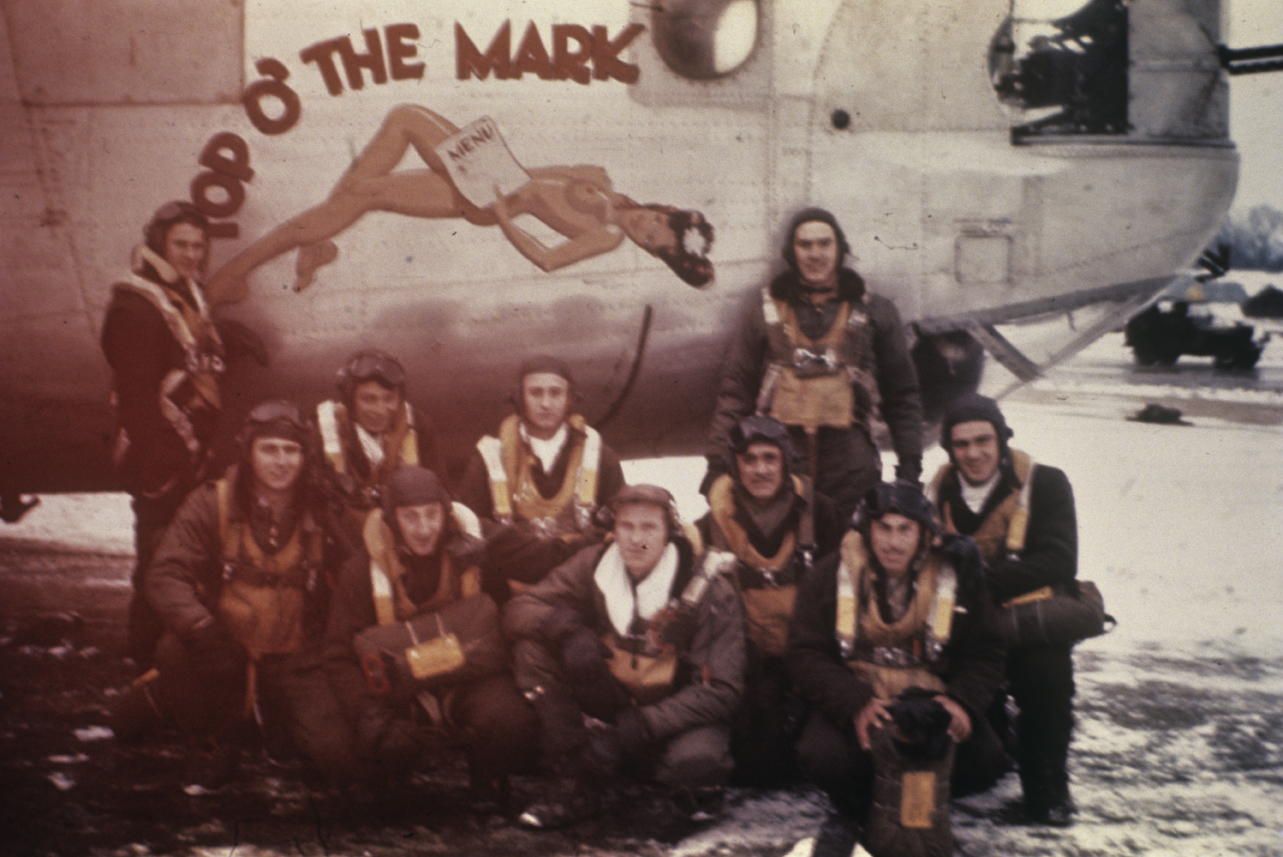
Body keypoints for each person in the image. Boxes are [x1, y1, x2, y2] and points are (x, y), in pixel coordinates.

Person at [204, 104, 714, 304]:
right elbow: (539, 176)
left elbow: (547, 258)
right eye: (656, 220)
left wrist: (500, 218)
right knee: (400, 122)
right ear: (662, 208)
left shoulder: (604, 236)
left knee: (368, 189)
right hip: (489, 166)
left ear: (647, 248)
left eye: (650, 238)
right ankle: (317, 244)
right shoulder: (604, 180)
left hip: (481, 198)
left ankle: (240, 270)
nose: (644, 226)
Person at [126, 401, 355, 788]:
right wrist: (201, 628)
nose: (280, 462)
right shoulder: (211, 501)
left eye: (291, 451)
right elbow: (165, 574)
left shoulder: (321, 506)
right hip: (222, 651)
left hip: (294, 655)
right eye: (269, 449)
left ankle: (275, 726)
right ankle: (212, 743)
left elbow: (361, 570)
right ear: (248, 452)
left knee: (338, 759)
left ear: (304, 456)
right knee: (166, 661)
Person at [502, 484, 746, 828]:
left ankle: (634, 764)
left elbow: (721, 689)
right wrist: (567, 630)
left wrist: (646, 725)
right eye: (627, 527)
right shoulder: (595, 563)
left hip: (675, 712)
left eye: (649, 528)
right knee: (532, 649)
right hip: (614, 697)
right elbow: (519, 610)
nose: (636, 539)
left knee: (695, 767)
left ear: (669, 533)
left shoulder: (708, 587)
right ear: (613, 530)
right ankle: (574, 777)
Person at [788, 481, 1008, 855]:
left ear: (924, 532)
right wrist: (853, 703)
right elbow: (804, 652)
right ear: (866, 530)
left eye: (905, 529)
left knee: (985, 759)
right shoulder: (829, 575)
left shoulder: (955, 575)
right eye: (884, 528)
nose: (894, 542)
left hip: (931, 699)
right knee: (823, 756)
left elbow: (987, 650)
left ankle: (924, 794)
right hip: (862, 695)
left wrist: (961, 702)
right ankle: (860, 807)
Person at [324, 466, 538, 803]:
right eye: (410, 518)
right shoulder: (359, 571)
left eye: (432, 515)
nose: (424, 529)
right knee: (348, 748)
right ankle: (390, 779)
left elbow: (536, 562)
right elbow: (337, 657)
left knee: (511, 722)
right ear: (392, 520)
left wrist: (598, 545)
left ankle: (488, 774)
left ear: (446, 513)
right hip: (397, 689)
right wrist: (371, 717)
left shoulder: (475, 552)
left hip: (468, 678)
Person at [704, 207, 924, 523]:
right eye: (805, 245)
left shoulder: (875, 310)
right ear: (791, 252)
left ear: (840, 249)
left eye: (824, 244)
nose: (815, 254)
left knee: (849, 554)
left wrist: (910, 467)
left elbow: (903, 395)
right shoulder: (763, 312)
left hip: (850, 463)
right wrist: (716, 465)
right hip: (781, 463)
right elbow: (735, 392)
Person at [930, 393, 1078, 825]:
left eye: (983, 440)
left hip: (1025, 627)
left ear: (1002, 439)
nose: (973, 453)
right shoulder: (936, 488)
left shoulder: (1046, 483)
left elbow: (1059, 559)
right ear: (948, 448)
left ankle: (1048, 792)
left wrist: (979, 584)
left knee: (1046, 683)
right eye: (961, 444)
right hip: (965, 632)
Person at [101, 201, 226, 670]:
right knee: (158, 565)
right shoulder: (137, 305)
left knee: (180, 562)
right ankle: (145, 665)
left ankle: (170, 662)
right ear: (159, 244)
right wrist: (160, 468)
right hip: (160, 459)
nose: (192, 254)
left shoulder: (180, 292)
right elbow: (134, 395)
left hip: (183, 453)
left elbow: (182, 349)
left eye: (198, 245)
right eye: (181, 244)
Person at [695, 415, 842, 786]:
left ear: (785, 462)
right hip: (748, 661)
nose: (760, 469)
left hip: (810, 656)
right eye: (749, 460)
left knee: (824, 756)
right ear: (735, 466)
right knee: (760, 768)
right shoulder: (710, 525)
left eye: (769, 458)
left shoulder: (821, 514)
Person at [456, 355, 625, 602]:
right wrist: (565, 549)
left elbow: (617, 521)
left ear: (569, 399)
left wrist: (531, 551)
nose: (546, 403)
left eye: (555, 393)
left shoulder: (596, 456)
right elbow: (469, 524)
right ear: (520, 398)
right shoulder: (492, 456)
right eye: (536, 393)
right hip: (511, 591)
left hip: (581, 585)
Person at [316, 348, 447, 531]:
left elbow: (442, 493)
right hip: (344, 533)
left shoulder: (418, 426)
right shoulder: (326, 431)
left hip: (405, 533)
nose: (380, 410)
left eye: (389, 399)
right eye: (369, 399)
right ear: (349, 399)